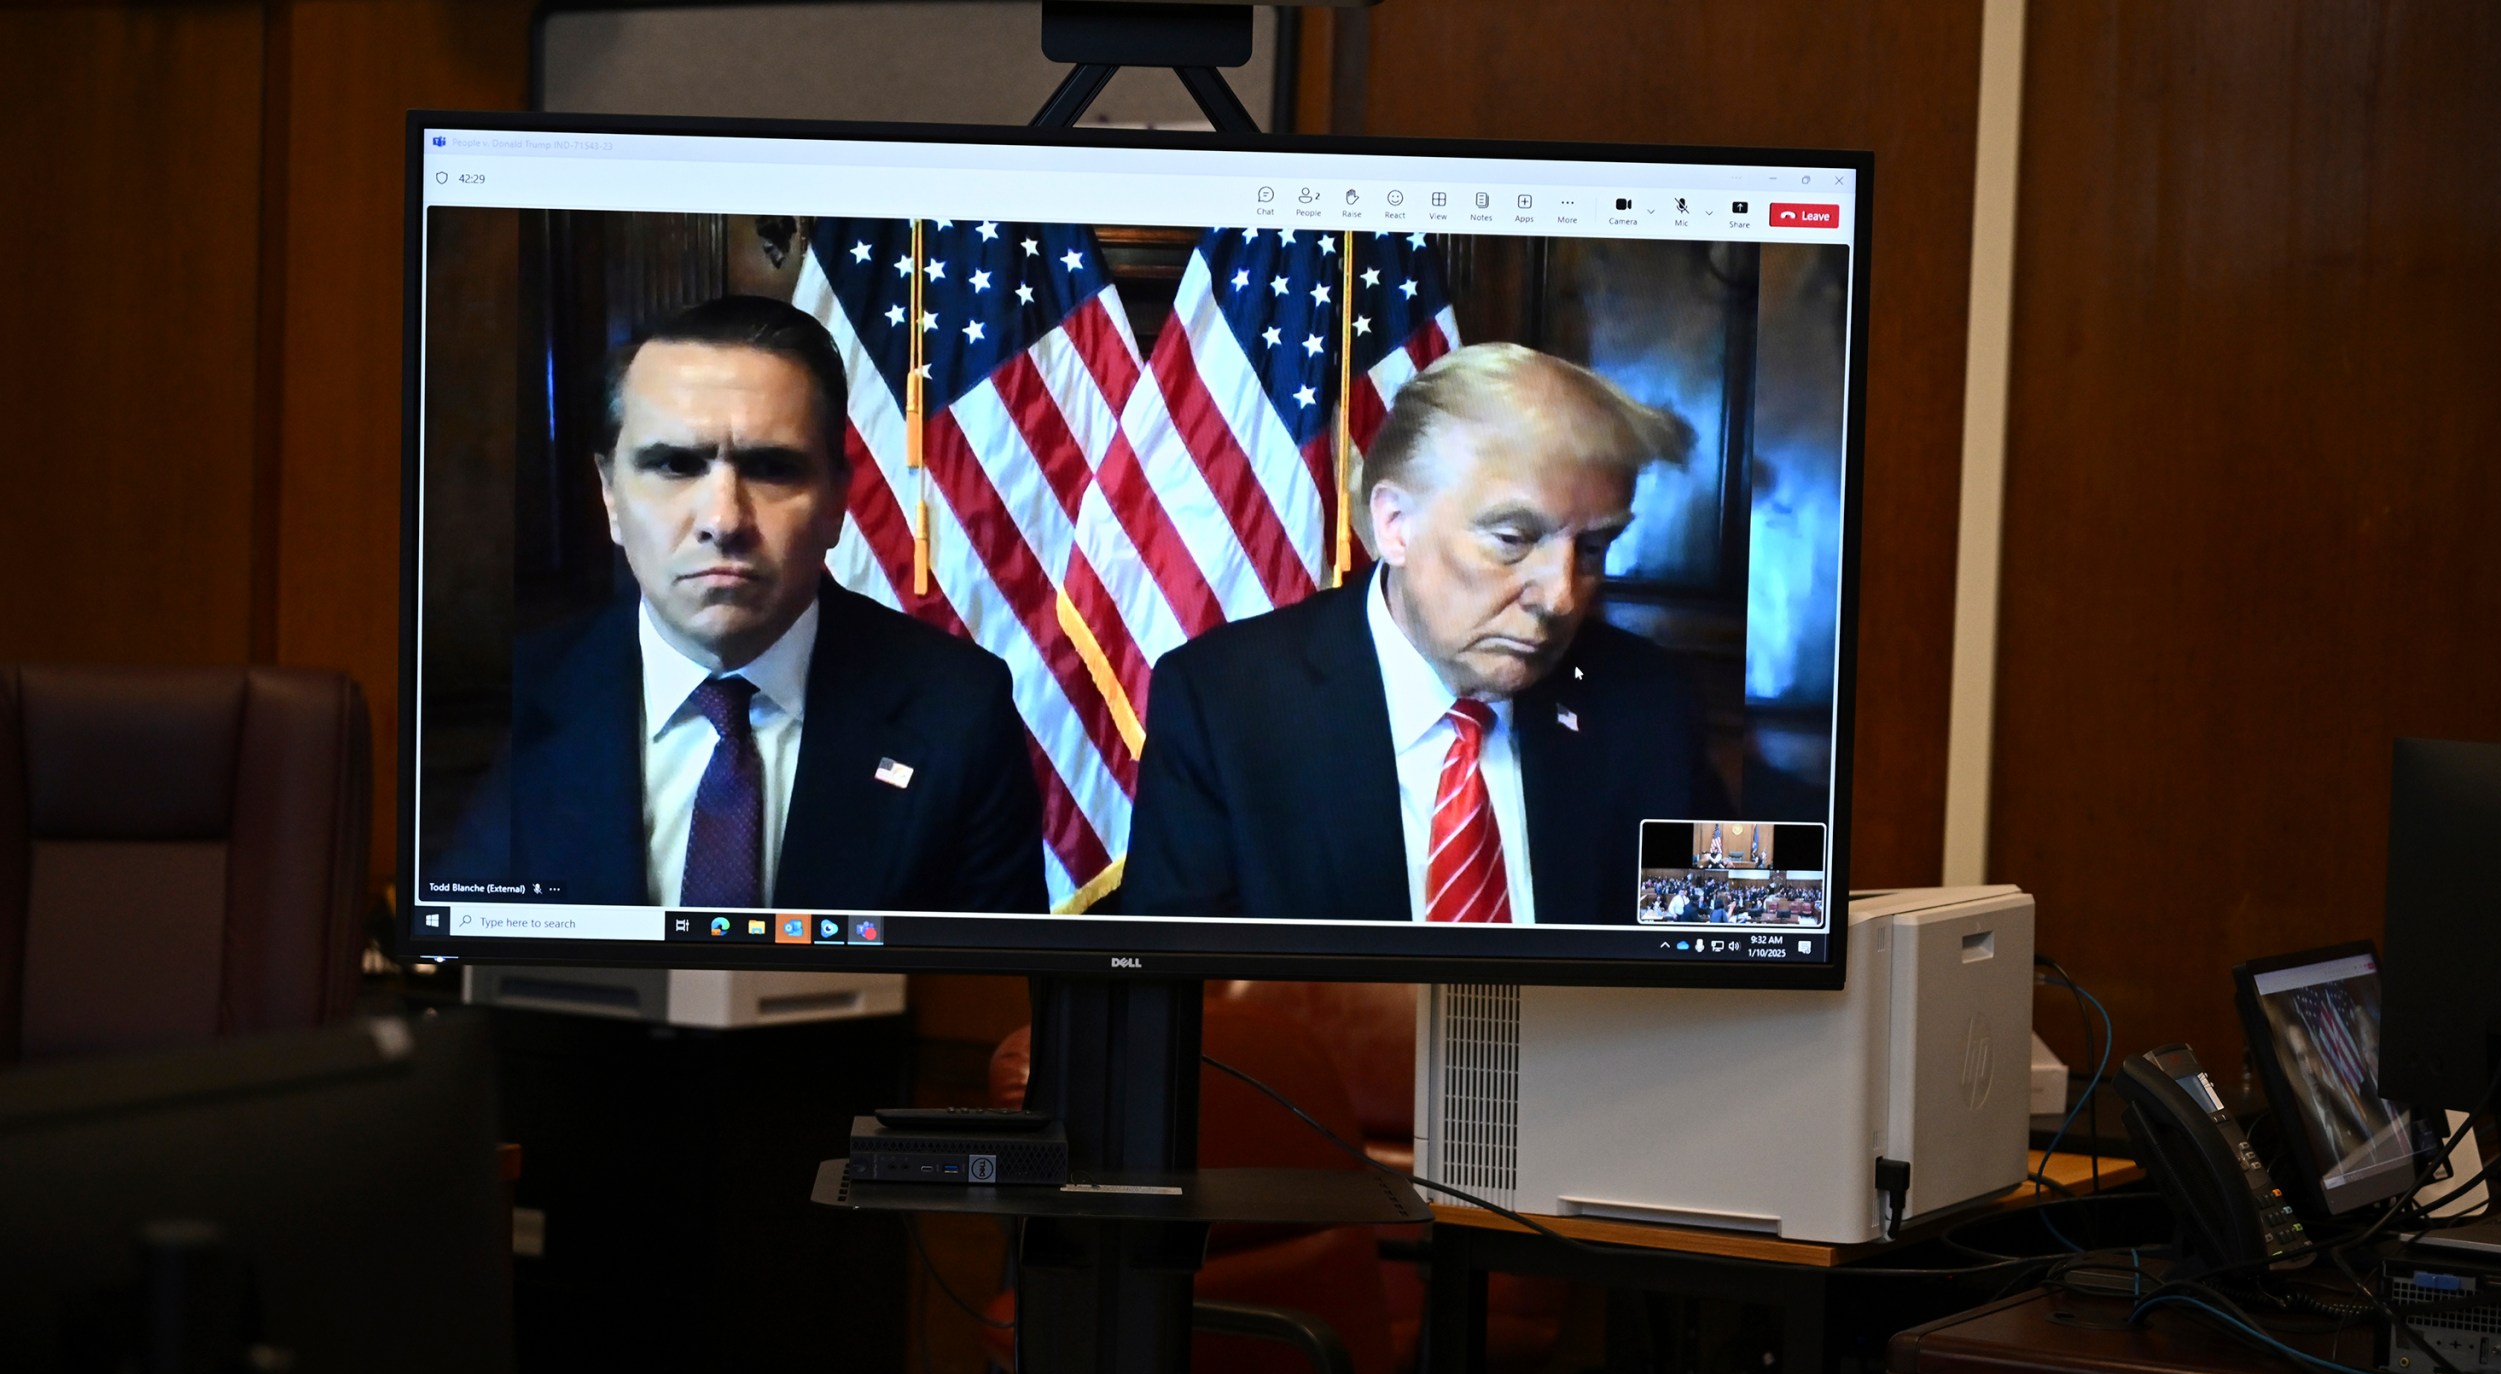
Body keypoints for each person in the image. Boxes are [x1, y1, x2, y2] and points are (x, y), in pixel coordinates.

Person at [440, 295, 1046, 913]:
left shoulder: (958, 712)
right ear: (610, 497)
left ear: (838, 501)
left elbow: (989, 998)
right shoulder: (518, 693)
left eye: (771, 469)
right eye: (676, 465)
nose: (724, 520)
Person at [1120, 342, 1733, 925]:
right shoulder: (1225, 707)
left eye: (1594, 547)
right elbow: (1179, 995)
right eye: (1514, 540)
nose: (1561, 596)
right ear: (1395, 525)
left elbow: (1740, 944)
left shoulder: (1646, 701)